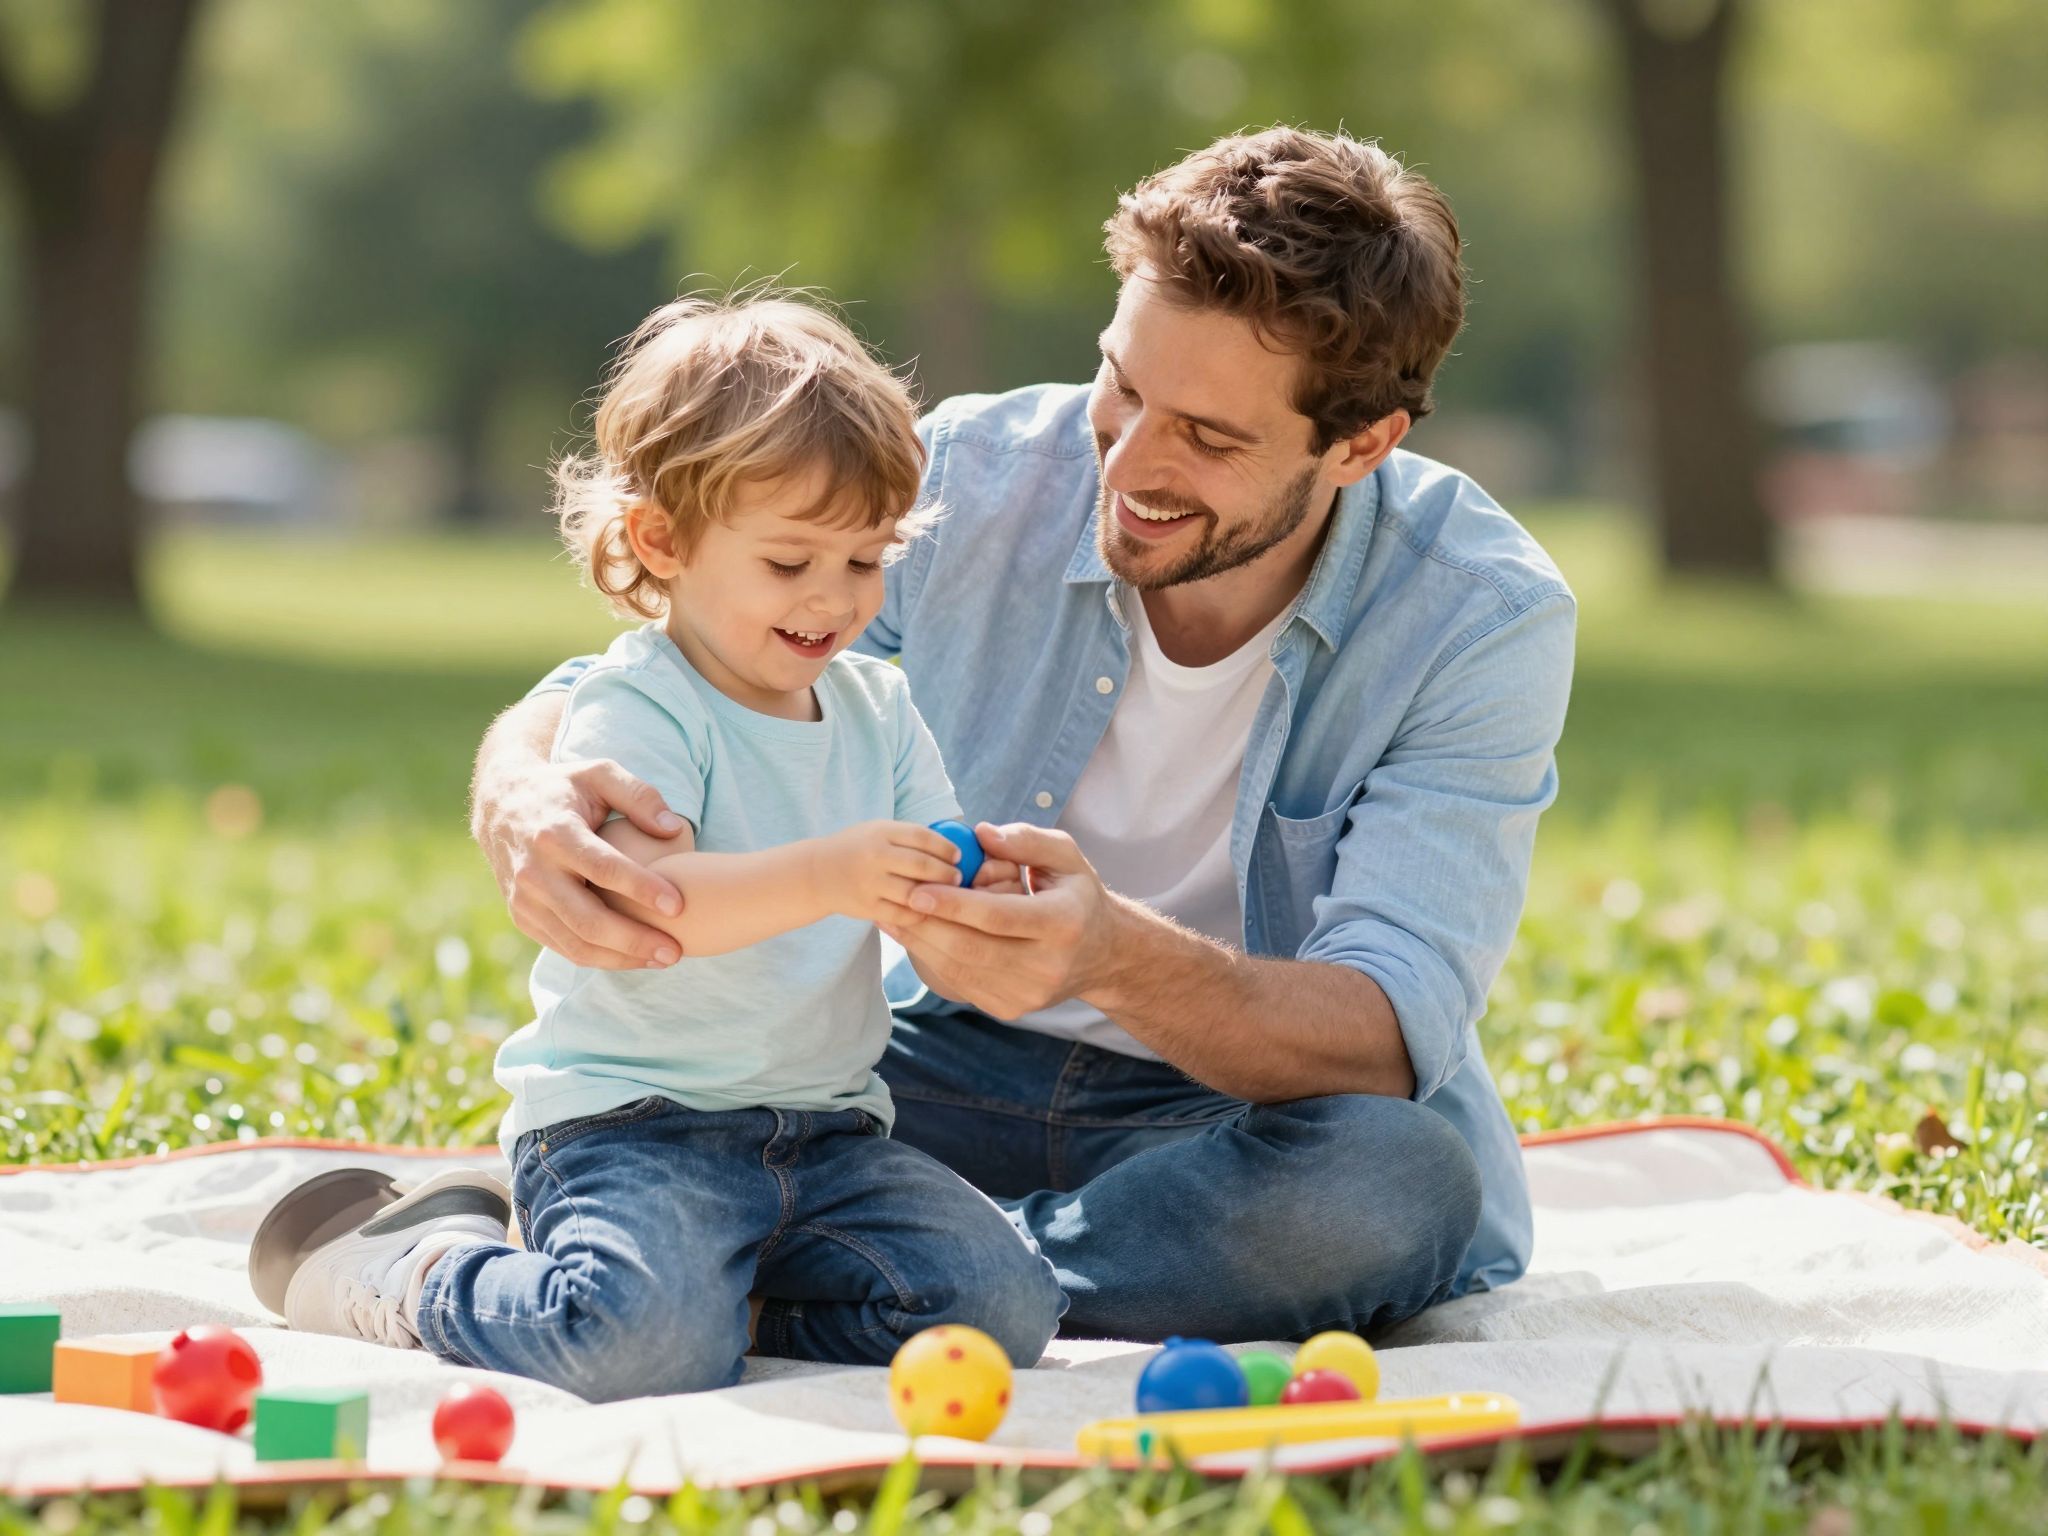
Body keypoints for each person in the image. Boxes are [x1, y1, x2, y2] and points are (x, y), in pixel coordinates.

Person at [473, 126, 1578, 1344]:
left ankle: (837, 1276)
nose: (1132, 461)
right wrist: (518, 787)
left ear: (1360, 444)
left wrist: (1106, 957)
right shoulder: (968, 473)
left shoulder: (1478, 616)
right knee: (721, 1097)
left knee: (1390, 1186)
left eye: (1207, 437)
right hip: (911, 1069)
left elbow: (1380, 1031)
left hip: (1218, 1118)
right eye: (1123, 384)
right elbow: (654, 665)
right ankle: (907, 1276)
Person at [251, 294, 1064, 1401]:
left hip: (826, 1132)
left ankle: (717, 1304)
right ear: (662, 541)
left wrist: (972, 884)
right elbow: (648, 903)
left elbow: (924, 859)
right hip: (635, 1128)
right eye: (789, 564)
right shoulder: (644, 703)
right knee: (632, 1351)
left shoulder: (878, 703)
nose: (833, 599)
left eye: (865, 562)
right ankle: (405, 1269)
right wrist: (834, 871)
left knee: (1002, 1307)